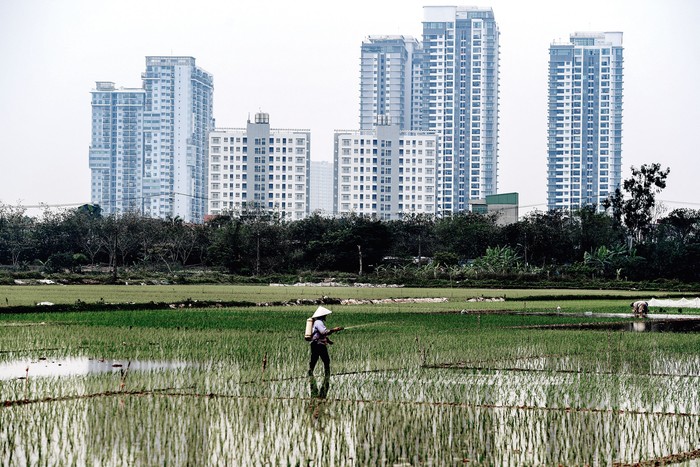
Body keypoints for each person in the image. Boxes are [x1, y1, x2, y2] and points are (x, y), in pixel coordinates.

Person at [308, 306, 343, 377]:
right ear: (322, 315)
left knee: (314, 359)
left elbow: (319, 334)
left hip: (316, 343)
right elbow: (324, 332)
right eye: (325, 315)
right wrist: (334, 330)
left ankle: (311, 373)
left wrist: (328, 340)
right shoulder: (319, 322)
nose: (326, 316)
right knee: (326, 360)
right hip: (319, 344)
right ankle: (327, 375)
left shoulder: (317, 322)